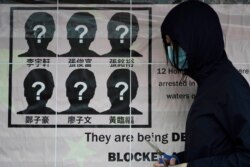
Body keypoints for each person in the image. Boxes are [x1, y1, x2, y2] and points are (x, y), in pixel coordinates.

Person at [154, 1, 250, 167]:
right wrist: (178, 160)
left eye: (175, 44)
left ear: (196, 38)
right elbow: (214, 147)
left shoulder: (229, 86)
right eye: (167, 45)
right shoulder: (209, 84)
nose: (171, 52)